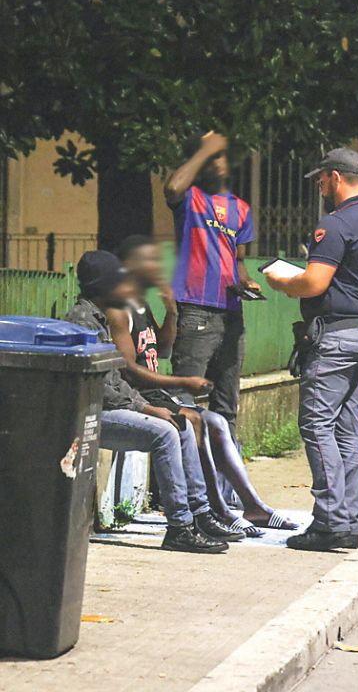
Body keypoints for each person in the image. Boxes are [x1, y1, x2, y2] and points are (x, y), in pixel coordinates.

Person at [106, 235, 297, 537]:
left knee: (217, 421)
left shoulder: (140, 304)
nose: (158, 267)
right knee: (194, 420)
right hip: (140, 397)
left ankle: (253, 506)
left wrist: (172, 312)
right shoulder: (119, 308)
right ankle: (212, 509)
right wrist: (182, 382)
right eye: (150, 261)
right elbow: (128, 370)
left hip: (155, 393)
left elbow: (162, 350)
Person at [67, 250, 240, 553]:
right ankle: (179, 528)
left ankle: (199, 513)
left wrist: (149, 407)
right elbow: (105, 388)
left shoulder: (101, 314)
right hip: (92, 415)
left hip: (112, 407)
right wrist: (146, 407)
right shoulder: (84, 321)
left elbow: (121, 378)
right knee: (165, 433)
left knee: (180, 425)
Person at [264, 147, 358, 552]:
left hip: (336, 337)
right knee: (346, 429)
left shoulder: (334, 224)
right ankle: (348, 520)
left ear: (336, 177)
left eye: (321, 179)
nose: (319, 185)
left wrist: (283, 282)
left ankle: (330, 522)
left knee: (317, 425)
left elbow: (315, 283)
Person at [163, 131, 260, 443]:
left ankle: (225, 471)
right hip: (196, 311)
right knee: (184, 400)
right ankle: (184, 472)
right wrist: (205, 149)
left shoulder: (240, 209)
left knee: (226, 405)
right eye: (210, 157)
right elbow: (172, 188)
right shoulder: (190, 199)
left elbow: (238, 259)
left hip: (232, 315)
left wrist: (246, 281)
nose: (217, 161)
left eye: (220, 155)